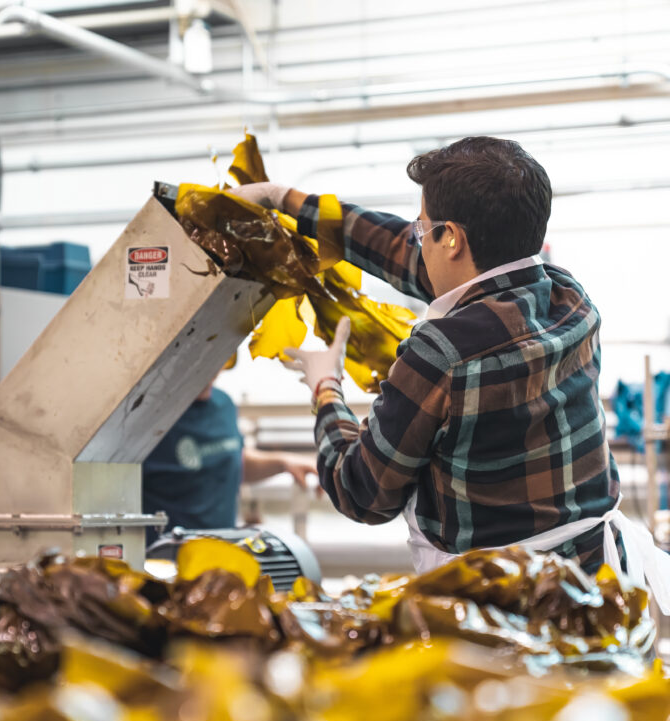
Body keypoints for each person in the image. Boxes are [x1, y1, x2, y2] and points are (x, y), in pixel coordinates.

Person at [231, 136, 670, 609]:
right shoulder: (569, 300)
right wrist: (285, 200)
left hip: (500, 604)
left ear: (453, 238)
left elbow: (361, 490)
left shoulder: (441, 353)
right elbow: (400, 250)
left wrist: (326, 387)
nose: (416, 240)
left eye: (424, 229)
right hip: (597, 580)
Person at [143, 378, 317, 544]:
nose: (210, 374)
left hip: (223, 548)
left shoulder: (224, 404)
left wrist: (283, 462)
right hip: (165, 555)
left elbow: (231, 460)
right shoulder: (150, 415)